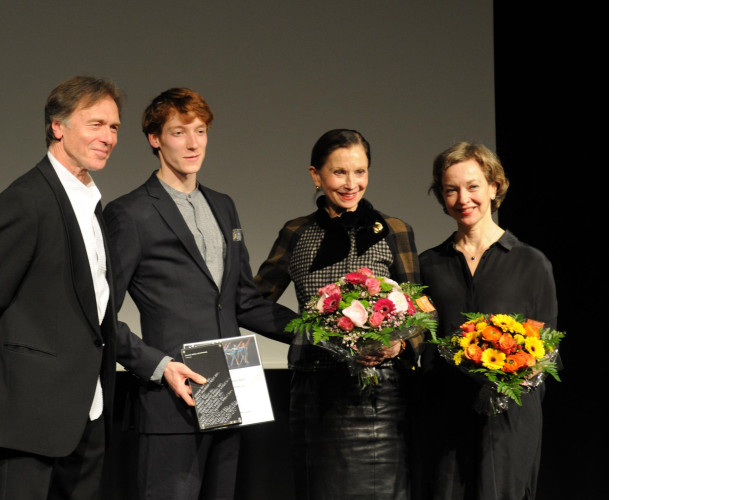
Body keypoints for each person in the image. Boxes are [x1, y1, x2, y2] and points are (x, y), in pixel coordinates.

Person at [104, 87, 298, 500]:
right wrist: (158, 366)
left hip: (229, 388)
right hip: (171, 396)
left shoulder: (223, 205)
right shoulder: (131, 212)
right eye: (179, 132)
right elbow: (101, 313)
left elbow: (242, 299)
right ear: (155, 138)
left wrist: (317, 332)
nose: (193, 143)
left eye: (200, 130)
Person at [0, 76, 123, 500]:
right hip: (24, 416)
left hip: (88, 409)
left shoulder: (92, 204)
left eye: (114, 127)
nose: (108, 137)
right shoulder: (26, 200)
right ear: (57, 127)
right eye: (96, 124)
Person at [254, 129, 422, 500]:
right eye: (339, 173)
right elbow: (253, 302)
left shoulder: (394, 230)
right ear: (316, 175)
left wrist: (397, 347)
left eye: (360, 172)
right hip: (314, 388)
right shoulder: (296, 232)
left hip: (379, 392)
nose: (351, 184)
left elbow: (422, 315)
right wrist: (308, 331)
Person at [413, 142, 558, 500]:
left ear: (494, 187)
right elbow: (419, 339)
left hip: (507, 424)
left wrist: (515, 374)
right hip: (444, 419)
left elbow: (548, 350)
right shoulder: (428, 264)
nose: (463, 198)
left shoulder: (530, 263)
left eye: (473, 186)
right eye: (451, 189)